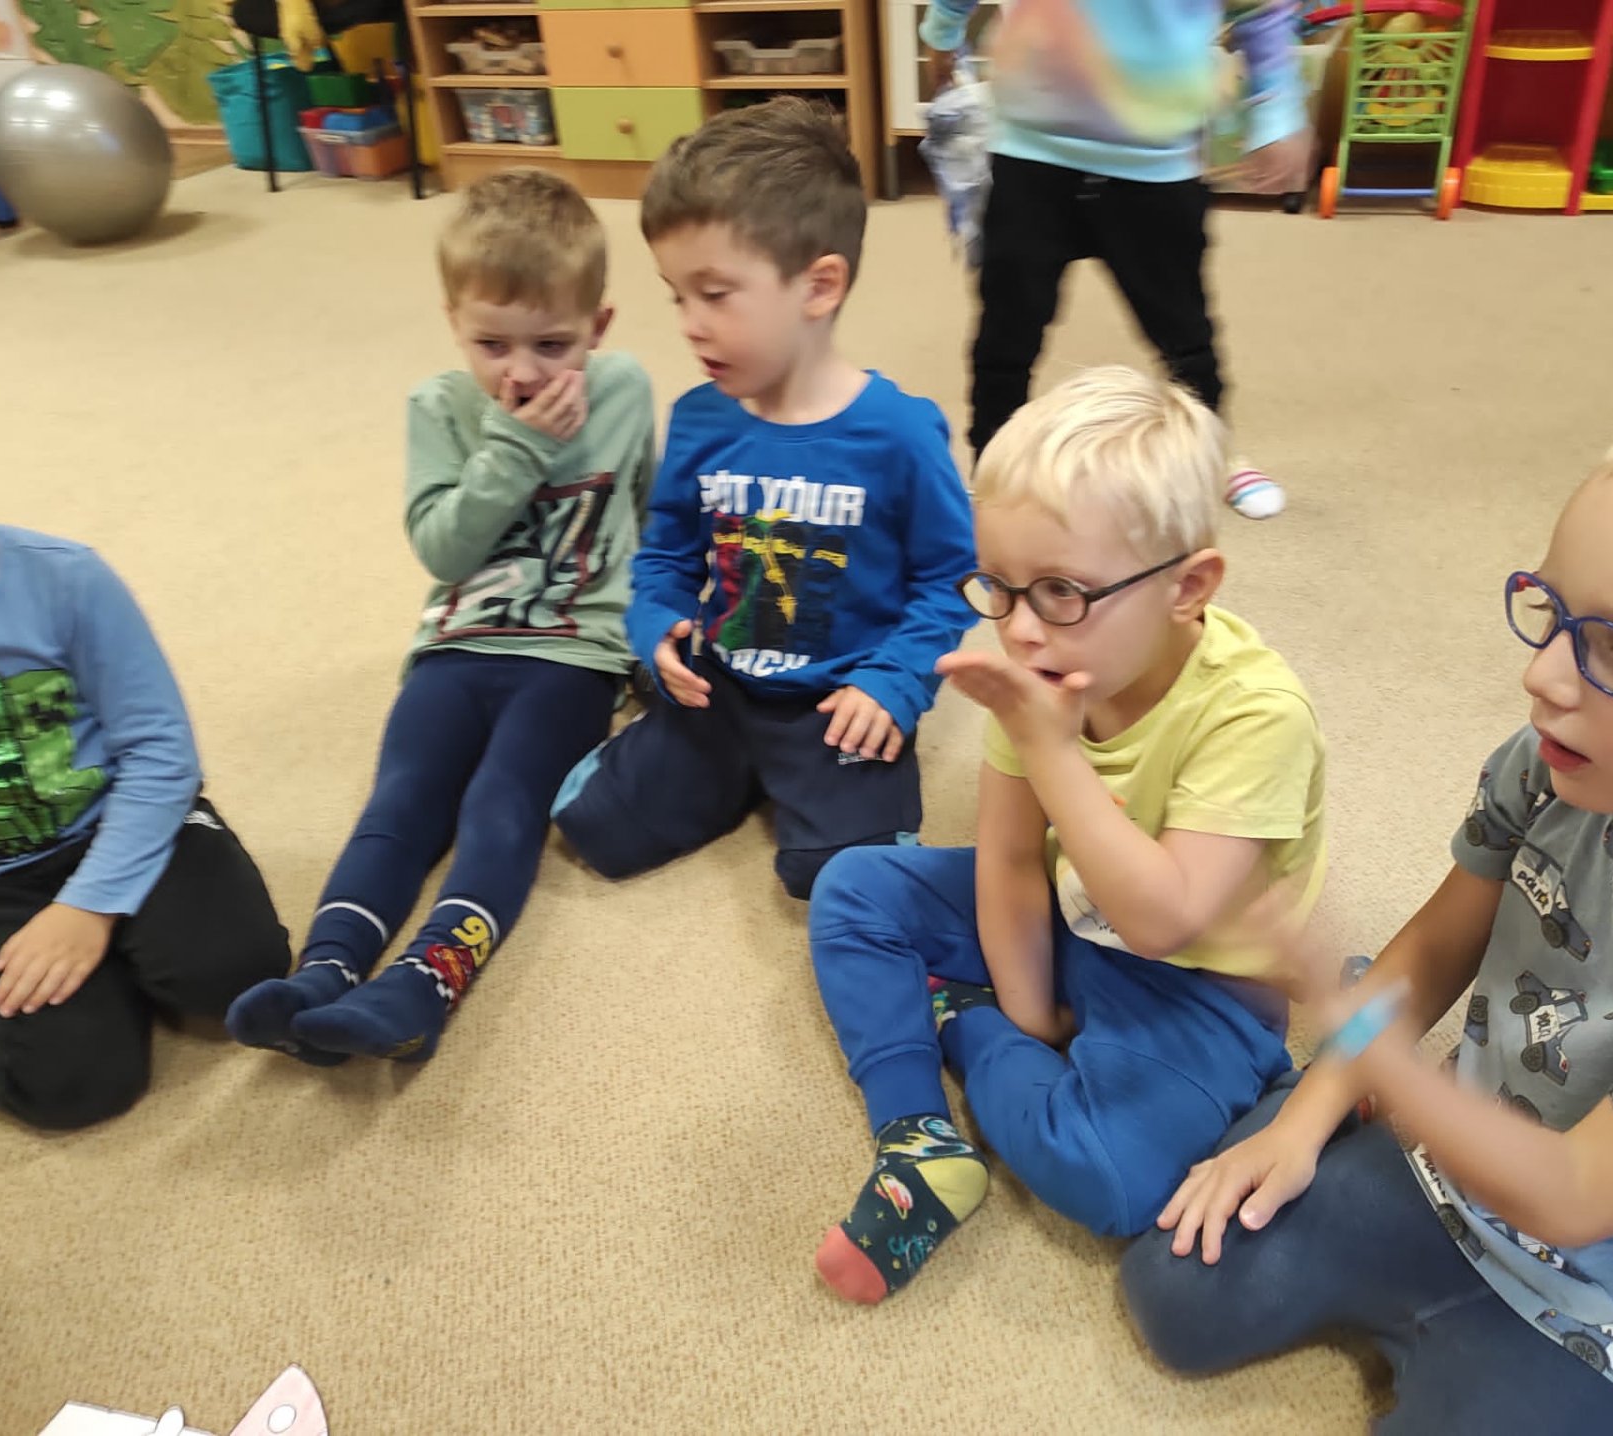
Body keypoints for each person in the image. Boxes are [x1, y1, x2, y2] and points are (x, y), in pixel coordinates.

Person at [1123, 391, 1613, 1434]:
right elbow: (1439, 943)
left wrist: (1347, 1020)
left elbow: (1571, 1194)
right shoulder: (1559, 765)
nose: (1541, 674)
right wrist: (1306, 1119)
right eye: (1553, 611)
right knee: (1177, 1294)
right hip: (1446, 1162)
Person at [806, 365, 1326, 1303]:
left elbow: (1162, 921)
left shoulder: (1256, 715)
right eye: (998, 588)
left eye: (1060, 591)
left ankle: (952, 1017)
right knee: (852, 888)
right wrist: (1033, 1015)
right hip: (1065, 910)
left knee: (1110, 1178)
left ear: (1188, 586)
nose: (1019, 630)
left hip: (1198, 984)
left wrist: (1050, 750)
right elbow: (1010, 859)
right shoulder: (1045, 659)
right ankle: (918, 1136)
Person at [227, 170, 654, 1065]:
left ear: (600, 325)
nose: (521, 372)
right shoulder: (439, 408)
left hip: (574, 654)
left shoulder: (623, 390)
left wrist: (653, 635)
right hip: (455, 647)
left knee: (502, 805)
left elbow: (646, 515)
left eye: (553, 344)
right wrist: (517, 446)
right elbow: (444, 548)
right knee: (402, 802)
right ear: (453, 319)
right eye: (491, 344)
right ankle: (324, 971)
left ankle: (426, 983)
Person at [551, 99, 977, 901]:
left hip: (838, 701)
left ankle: (801, 780)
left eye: (715, 294)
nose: (689, 324)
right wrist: (655, 625)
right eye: (677, 296)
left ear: (819, 285)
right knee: (590, 826)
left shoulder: (899, 434)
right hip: (719, 688)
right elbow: (667, 555)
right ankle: (716, 763)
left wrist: (893, 683)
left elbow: (949, 583)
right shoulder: (699, 419)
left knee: (843, 878)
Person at [0, 411, 288, 1129]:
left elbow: (159, 750)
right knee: (72, 1084)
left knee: (236, 977)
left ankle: (130, 937)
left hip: (122, 820)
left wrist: (90, 907)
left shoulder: (62, 579)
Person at [920, 0, 1306, 518]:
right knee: (1006, 334)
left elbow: (1261, 11)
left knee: (1183, 333)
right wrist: (943, 29)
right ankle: (992, 467)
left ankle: (1211, 453)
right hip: (1028, 151)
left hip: (1156, 163)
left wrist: (1275, 110)